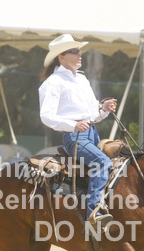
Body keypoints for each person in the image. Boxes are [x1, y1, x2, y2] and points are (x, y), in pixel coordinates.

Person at [39, 34, 118, 228]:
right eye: (74, 51)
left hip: (92, 133)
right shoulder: (53, 82)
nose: (79, 54)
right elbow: (46, 116)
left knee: (120, 163)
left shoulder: (82, 80)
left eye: (79, 50)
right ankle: (94, 213)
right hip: (74, 136)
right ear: (61, 57)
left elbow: (93, 114)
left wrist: (103, 109)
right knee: (102, 162)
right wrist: (72, 125)